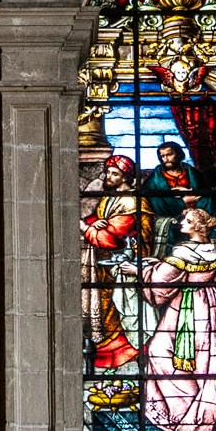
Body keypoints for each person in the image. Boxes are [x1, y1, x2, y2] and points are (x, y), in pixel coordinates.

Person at [126, 203, 216, 431]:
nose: (181, 223)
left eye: (186, 220)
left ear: (198, 226)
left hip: (187, 308)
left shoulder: (183, 251)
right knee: (209, 362)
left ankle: (186, 413)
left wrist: (139, 271)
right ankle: (203, 409)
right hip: (213, 307)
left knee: (159, 353)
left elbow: (162, 281)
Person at [81, 153, 147, 372]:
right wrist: (92, 223)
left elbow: (112, 237)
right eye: (108, 171)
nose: (108, 176)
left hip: (122, 265)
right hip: (105, 267)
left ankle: (122, 353)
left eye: (114, 173)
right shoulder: (111, 197)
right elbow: (103, 222)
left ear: (125, 177)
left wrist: (84, 227)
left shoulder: (131, 201)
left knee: (117, 310)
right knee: (107, 310)